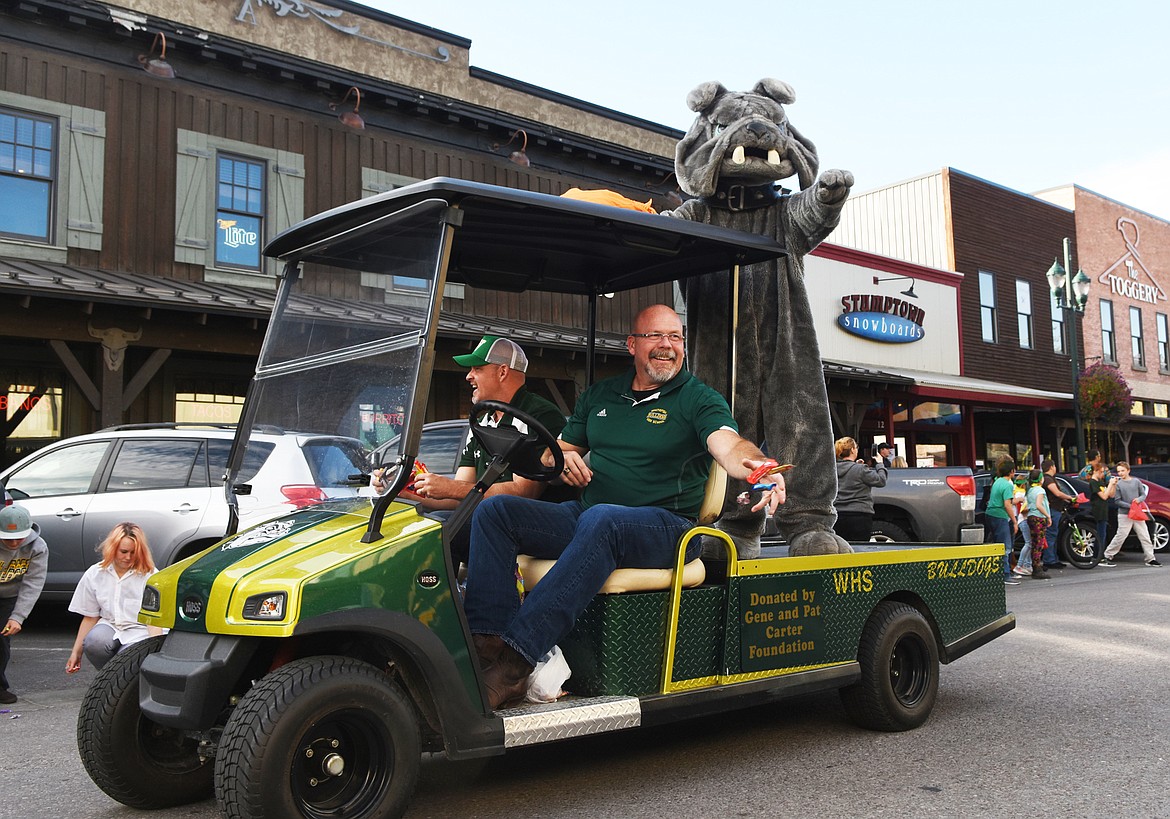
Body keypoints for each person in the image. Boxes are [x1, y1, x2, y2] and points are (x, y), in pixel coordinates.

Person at [463, 304, 786, 709]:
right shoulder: (602, 395)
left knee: (603, 519)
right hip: (592, 519)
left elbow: (728, 442)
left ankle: (514, 665)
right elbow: (557, 451)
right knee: (496, 512)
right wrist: (560, 461)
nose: (667, 346)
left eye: (675, 337)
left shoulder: (697, 398)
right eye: (655, 336)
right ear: (632, 344)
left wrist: (759, 467)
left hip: (668, 527)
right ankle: (486, 647)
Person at [382, 334, 568, 567]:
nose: (468, 376)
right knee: (420, 523)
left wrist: (449, 487)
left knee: (440, 532)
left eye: (477, 368)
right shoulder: (482, 421)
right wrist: (409, 495)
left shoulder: (539, 415)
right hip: (488, 516)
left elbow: (523, 492)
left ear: (502, 372)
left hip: (535, 524)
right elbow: (461, 498)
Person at [66, 523, 165, 673]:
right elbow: (90, 617)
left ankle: (123, 681)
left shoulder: (150, 576)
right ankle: (110, 679)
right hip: (110, 626)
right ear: (112, 548)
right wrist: (76, 652)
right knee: (94, 642)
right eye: (123, 551)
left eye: (133, 552)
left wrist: (156, 652)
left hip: (140, 631)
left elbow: (154, 621)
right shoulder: (95, 573)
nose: (128, 557)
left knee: (126, 658)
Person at [0, 504, 48, 703]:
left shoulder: (38, 547)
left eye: (18, 538)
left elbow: (33, 582)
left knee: (2, 639)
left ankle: (0, 686)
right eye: (8, 538)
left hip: (11, 595)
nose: (13, 543)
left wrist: (18, 617)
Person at [1101, 461, 1159, 567]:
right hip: (1124, 514)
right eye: (1119, 471)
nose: (1121, 473)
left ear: (1128, 470)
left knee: (1144, 535)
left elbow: (1143, 494)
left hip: (1137, 513)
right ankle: (1107, 555)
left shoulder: (1136, 481)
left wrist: (1139, 500)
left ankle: (1151, 558)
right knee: (1121, 535)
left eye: (1123, 471)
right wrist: (1131, 506)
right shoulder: (1118, 484)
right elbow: (1117, 501)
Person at [833, 437, 887, 542]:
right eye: (856, 447)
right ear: (852, 449)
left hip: (837, 515)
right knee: (859, 549)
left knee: (841, 549)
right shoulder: (861, 469)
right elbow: (881, 480)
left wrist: (856, 466)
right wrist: (880, 463)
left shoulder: (832, 469)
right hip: (860, 515)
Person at [984, 457, 1019, 586]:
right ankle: (1005, 574)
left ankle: (996, 572)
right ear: (1011, 471)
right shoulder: (1007, 484)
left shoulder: (997, 481)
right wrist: (1014, 521)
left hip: (990, 513)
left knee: (996, 544)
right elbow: (1007, 504)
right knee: (1006, 546)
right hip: (1000, 515)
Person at [1040, 459, 1071, 570]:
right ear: (1052, 467)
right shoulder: (1048, 479)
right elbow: (1057, 493)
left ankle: (1054, 558)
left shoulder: (1048, 478)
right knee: (1051, 534)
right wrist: (1070, 498)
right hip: (1052, 510)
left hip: (1055, 509)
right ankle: (1049, 560)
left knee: (1053, 534)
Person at [1023, 470, 1052, 580]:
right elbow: (1039, 505)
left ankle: (1035, 565)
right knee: (1038, 544)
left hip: (1031, 516)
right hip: (1039, 517)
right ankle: (1036, 568)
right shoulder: (1040, 490)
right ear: (1040, 479)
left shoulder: (1030, 490)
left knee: (1035, 543)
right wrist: (1048, 516)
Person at [1087, 463, 1117, 561]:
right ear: (1095, 471)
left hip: (1104, 509)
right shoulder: (1093, 482)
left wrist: (1113, 485)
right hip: (1098, 509)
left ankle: (1098, 555)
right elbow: (1104, 496)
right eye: (1101, 472)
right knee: (1100, 534)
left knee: (1102, 533)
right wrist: (1110, 485)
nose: (1102, 474)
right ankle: (1098, 556)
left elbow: (1110, 495)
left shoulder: (1100, 482)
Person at [1010, 474, 1034, 577]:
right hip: (1023, 519)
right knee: (1028, 543)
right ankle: (1020, 565)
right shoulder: (1021, 494)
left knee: (1029, 543)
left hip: (1020, 520)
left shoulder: (1015, 492)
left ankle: (1027, 565)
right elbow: (1023, 509)